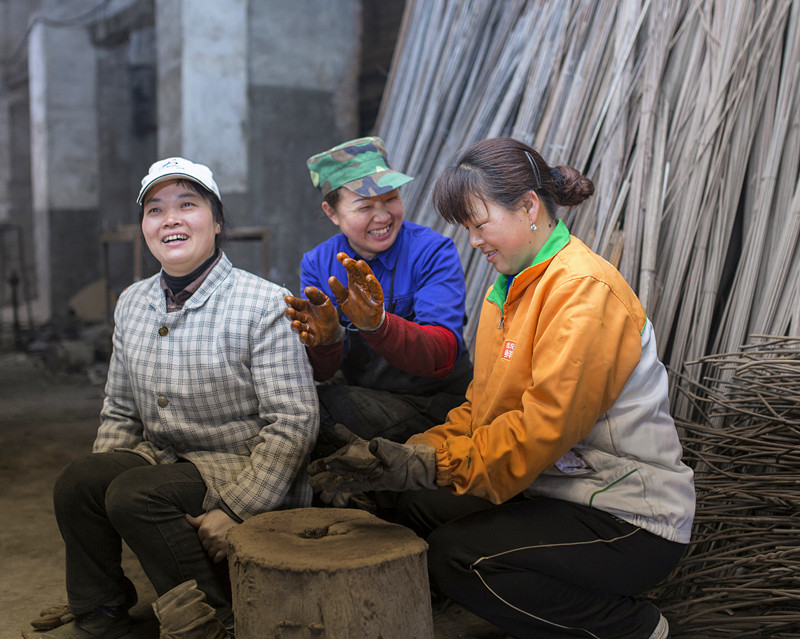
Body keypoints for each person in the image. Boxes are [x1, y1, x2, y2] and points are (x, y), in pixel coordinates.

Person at [308, 137, 696, 639]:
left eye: (479, 224)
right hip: (553, 486)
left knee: (456, 558)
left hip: (623, 510)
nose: (473, 241)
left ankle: (636, 628)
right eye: (467, 228)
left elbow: (538, 432)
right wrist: (401, 457)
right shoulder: (508, 290)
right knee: (416, 504)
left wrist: (429, 464)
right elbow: (481, 410)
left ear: (529, 207)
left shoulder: (583, 292)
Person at [36, 157, 319, 638]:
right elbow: (120, 409)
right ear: (145, 228)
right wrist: (102, 489)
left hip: (241, 464)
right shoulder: (133, 301)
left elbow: (294, 421)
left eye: (187, 205)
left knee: (136, 495)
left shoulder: (264, 303)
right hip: (164, 458)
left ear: (217, 221)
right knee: (80, 481)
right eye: (155, 210)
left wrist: (236, 509)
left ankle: (215, 617)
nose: (170, 219)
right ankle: (101, 611)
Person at [284, 136, 472, 462]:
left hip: (433, 401)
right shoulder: (318, 264)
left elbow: (442, 355)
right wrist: (327, 341)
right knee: (293, 403)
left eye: (391, 199)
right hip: (365, 396)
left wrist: (379, 325)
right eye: (365, 206)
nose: (383, 216)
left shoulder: (432, 251)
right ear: (332, 212)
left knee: (318, 414)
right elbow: (322, 372)